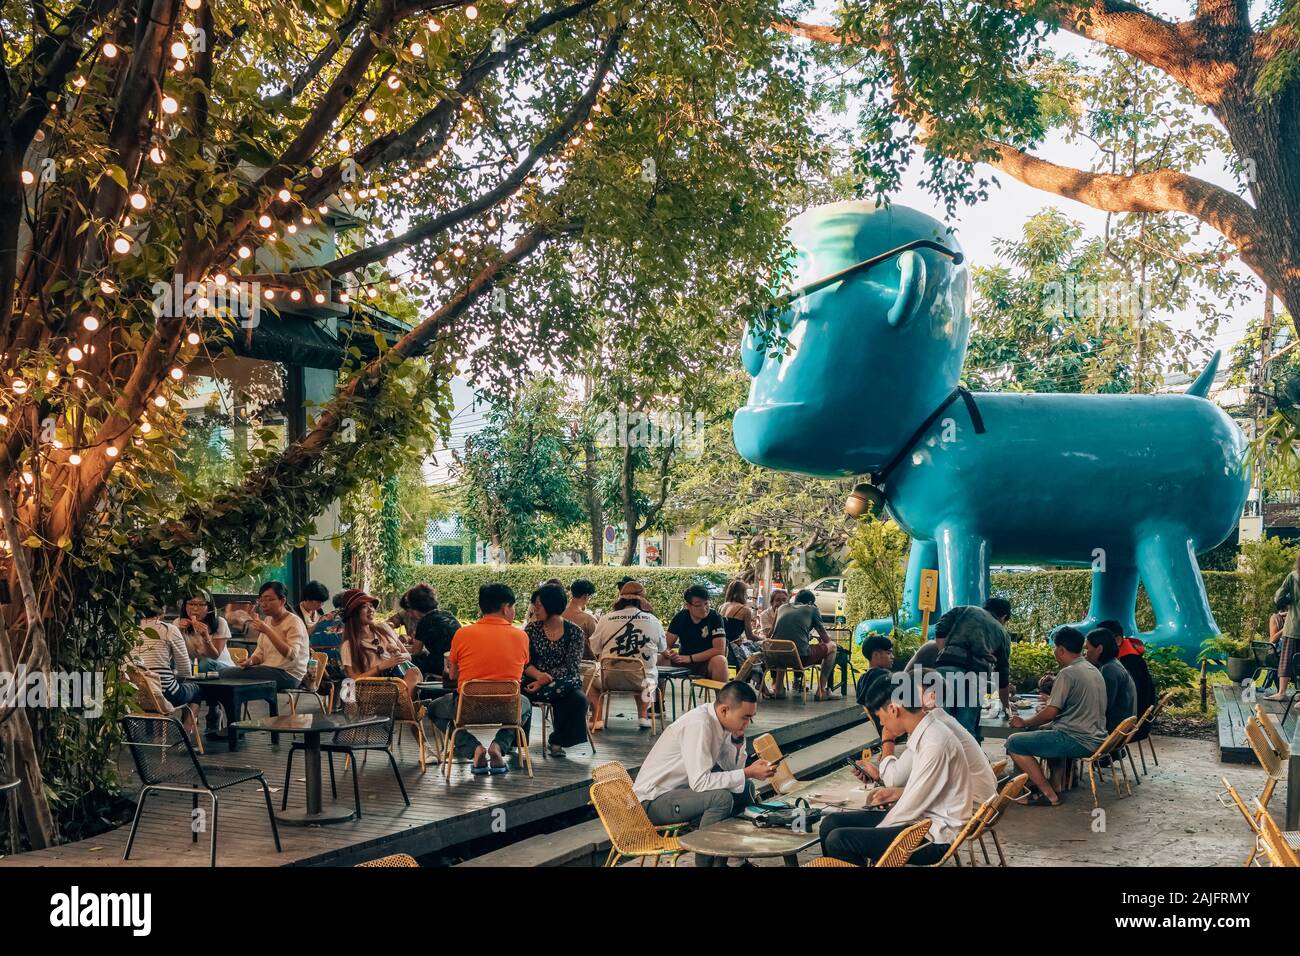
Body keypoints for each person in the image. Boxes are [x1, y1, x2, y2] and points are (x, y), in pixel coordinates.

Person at [818, 677, 972, 866]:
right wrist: (891, 796)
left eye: (881, 717)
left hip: (935, 836)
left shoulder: (934, 743)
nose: (883, 725)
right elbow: (914, 797)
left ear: (893, 709)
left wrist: (877, 839)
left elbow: (909, 807)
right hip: (920, 820)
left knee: (839, 839)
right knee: (831, 823)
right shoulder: (926, 732)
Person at [632, 680, 777, 866]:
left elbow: (731, 771)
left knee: (744, 788)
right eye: (745, 717)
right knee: (720, 798)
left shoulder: (723, 723)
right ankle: (706, 864)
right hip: (651, 802)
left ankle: (734, 861)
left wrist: (738, 744)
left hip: (682, 794)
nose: (747, 723)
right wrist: (748, 772)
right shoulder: (699, 724)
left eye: (751, 718)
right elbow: (700, 782)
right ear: (725, 710)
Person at [856, 668, 997, 813]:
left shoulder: (933, 728)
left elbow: (895, 780)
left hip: (966, 810)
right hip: (976, 803)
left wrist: (887, 740)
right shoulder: (940, 720)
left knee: (877, 799)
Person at [430, 583, 531, 775]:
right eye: (513, 606)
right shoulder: (521, 637)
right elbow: (521, 667)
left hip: (467, 709)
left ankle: (473, 749)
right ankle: (498, 747)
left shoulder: (462, 634)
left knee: (433, 709)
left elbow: (452, 675)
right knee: (524, 705)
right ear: (505, 607)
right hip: (507, 708)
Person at [1004, 625, 1107, 806]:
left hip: (1078, 739)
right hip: (1096, 737)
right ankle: (1055, 783)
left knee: (1014, 742)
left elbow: (1050, 713)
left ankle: (1048, 794)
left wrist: (1023, 721)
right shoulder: (1093, 670)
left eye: (1054, 648)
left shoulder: (1068, 673)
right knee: (1040, 730)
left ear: (1060, 649)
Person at [587, 581, 667, 730]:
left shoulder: (606, 619)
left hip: (609, 679)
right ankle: (643, 717)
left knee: (589, 675)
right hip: (643, 680)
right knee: (649, 672)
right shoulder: (653, 621)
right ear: (642, 600)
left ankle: (596, 718)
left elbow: (595, 647)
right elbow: (663, 647)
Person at [524, 584, 590, 756]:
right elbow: (524, 662)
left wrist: (545, 679)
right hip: (532, 680)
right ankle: (516, 741)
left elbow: (572, 666)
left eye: (538, 605)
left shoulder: (574, 632)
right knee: (517, 696)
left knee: (577, 699)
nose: (535, 609)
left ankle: (558, 740)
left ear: (551, 604)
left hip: (562, 681)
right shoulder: (531, 630)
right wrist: (539, 677)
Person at [217, 581, 310, 691]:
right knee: (224, 673)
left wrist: (268, 631)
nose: (264, 604)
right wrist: (250, 661)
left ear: (282, 601)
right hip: (269, 670)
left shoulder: (294, 622)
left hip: (288, 675)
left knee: (224, 673)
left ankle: (218, 708)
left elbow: (291, 654)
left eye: (270, 600)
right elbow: (260, 653)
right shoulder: (268, 620)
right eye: (261, 600)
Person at [932, 604, 1006, 739]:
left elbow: (941, 626)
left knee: (938, 723)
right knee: (966, 729)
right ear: (1004, 617)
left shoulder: (966, 609)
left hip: (947, 669)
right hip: (976, 677)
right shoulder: (1001, 631)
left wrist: (944, 651)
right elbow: (1002, 676)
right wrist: (1007, 708)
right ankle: (968, 759)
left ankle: (936, 758)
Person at [339, 589, 422, 694]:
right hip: (374, 690)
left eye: (371, 606)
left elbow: (408, 656)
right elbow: (354, 679)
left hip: (399, 680)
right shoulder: (348, 645)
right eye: (364, 607)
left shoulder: (384, 628)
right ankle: (402, 706)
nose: (371, 610)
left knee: (414, 672)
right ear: (354, 613)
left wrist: (397, 654)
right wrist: (381, 666)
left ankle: (401, 705)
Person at [176, 591, 233, 733]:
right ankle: (209, 712)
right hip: (195, 670)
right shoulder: (177, 623)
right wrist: (177, 632)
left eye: (201, 605)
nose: (195, 609)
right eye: (191, 604)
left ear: (209, 607)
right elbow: (178, 655)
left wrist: (206, 636)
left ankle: (193, 720)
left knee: (204, 664)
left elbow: (214, 655)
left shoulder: (219, 623)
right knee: (187, 670)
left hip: (222, 668)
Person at [770, 589, 838, 701]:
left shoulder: (782, 608)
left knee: (782, 647)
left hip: (775, 657)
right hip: (800, 658)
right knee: (833, 647)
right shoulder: (812, 609)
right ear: (811, 602)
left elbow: (772, 633)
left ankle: (779, 689)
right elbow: (825, 639)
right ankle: (821, 690)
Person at [1098, 619, 1156, 739]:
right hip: (1132, 722)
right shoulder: (1122, 658)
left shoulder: (1128, 661)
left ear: (1118, 640)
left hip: (1130, 726)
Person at [135, 609, 201, 711]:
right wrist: (177, 681)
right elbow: (185, 671)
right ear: (162, 610)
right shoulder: (169, 630)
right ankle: (186, 727)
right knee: (196, 690)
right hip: (163, 693)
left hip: (134, 693)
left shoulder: (128, 631)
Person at [665, 585, 729, 683]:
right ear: (688, 606)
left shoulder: (715, 617)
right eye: (698, 605)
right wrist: (670, 654)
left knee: (720, 660)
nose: (704, 608)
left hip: (706, 662)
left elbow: (719, 649)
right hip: (682, 661)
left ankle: (722, 698)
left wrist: (690, 658)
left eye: (706, 603)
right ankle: (657, 697)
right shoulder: (681, 617)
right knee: (660, 658)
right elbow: (665, 645)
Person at [401, 583, 460, 680]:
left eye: (410, 610)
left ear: (415, 609)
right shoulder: (447, 614)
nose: (410, 615)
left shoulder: (424, 622)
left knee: (412, 661)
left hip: (443, 664)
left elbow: (416, 652)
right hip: (459, 661)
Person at [1084, 627, 1137, 732]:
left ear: (1099, 649)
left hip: (1111, 729)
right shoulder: (1113, 664)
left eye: (1087, 649)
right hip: (1120, 727)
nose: (1085, 654)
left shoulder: (1109, 669)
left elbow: (1101, 707)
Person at [718, 579, 764, 688]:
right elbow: (750, 635)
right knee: (761, 651)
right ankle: (758, 683)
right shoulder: (744, 610)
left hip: (721, 648)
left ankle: (748, 682)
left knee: (747, 647)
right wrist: (763, 639)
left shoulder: (722, 606)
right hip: (732, 651)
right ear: (742, 593)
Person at [1269, 553, 1300, 700]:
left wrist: (1291, 600)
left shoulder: (1293, 576)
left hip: (1294, 626)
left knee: (1286, 659)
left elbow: (1278, 597)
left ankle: (1281, 692)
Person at [855, 635, 895, 731]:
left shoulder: (862, 679)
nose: (893, 657)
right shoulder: (883, 676)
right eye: (888, 653)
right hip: (890, 728)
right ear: (876, 655)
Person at [563, 579, 598, 650]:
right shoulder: (587, 619)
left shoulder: (558, 613)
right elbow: (596, 644)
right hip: (583, 659)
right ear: (585, 596)